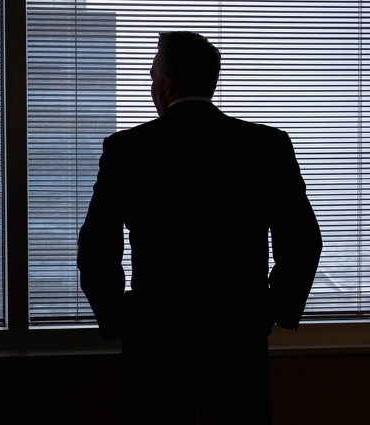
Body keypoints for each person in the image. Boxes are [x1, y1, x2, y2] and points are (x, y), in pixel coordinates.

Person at [77, 31, 323, 424]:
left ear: (167, 83)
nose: (151, 86)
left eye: (152, 77)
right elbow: (304, 242)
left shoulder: (128, 150)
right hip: (238, 343)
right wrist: (272, 311)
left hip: (155, 344)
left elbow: (95, 248)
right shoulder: (266, 146)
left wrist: (120, 320)